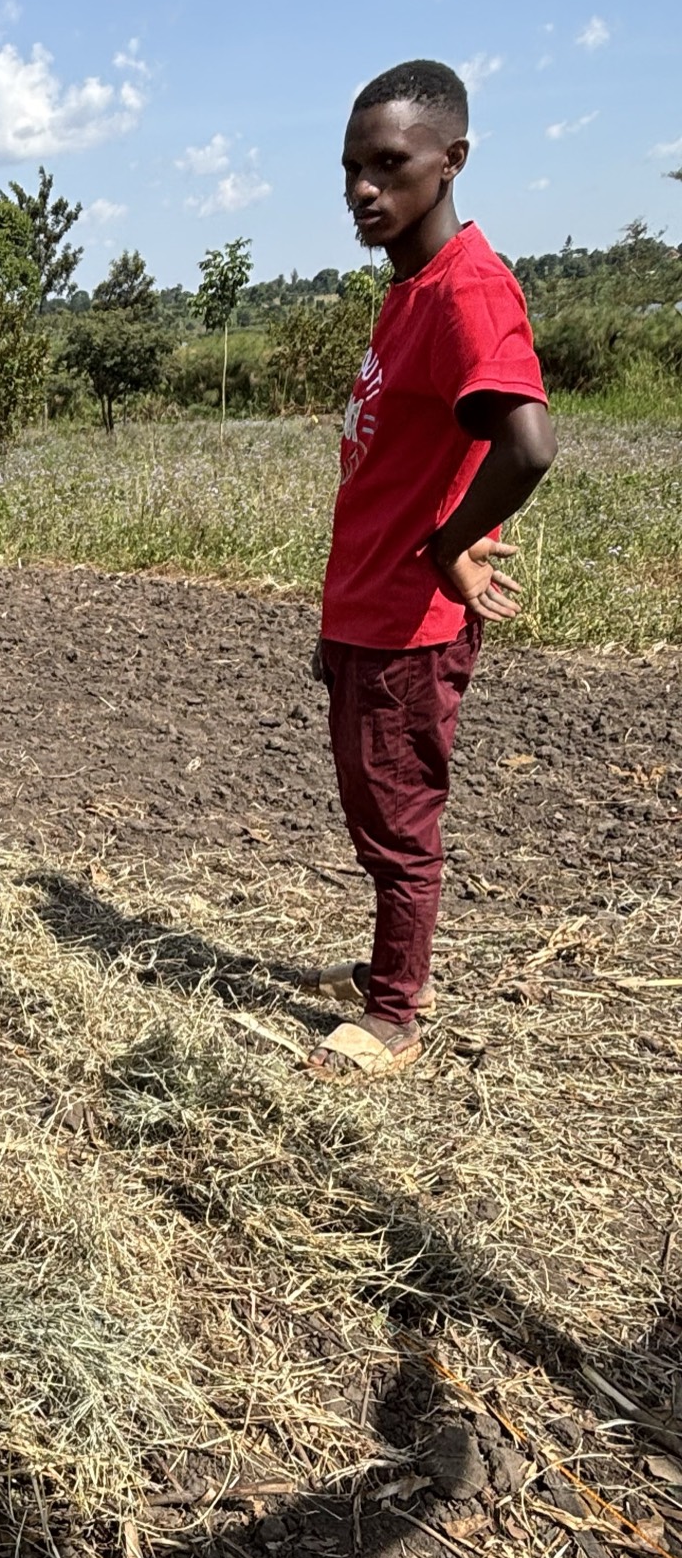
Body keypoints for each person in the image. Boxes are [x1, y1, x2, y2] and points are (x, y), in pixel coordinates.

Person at [306, 59, 556, 1080]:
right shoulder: (409, 288)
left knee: (400, 819)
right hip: (366, 607)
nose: (363, 189)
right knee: (375, 806)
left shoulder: (466, 291)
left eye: (389, 165)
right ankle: (392, 967)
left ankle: (394, 1015)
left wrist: (452, 542)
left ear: (451, 160)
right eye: (351, 168)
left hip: (409, 622)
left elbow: (528, 445)